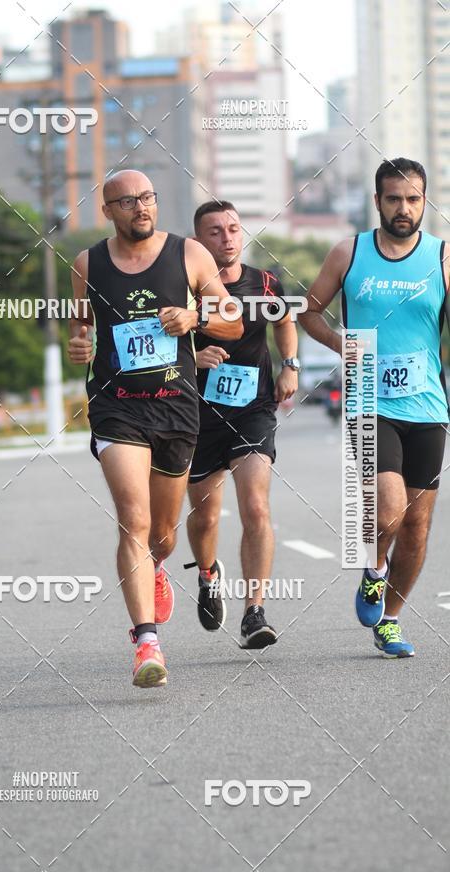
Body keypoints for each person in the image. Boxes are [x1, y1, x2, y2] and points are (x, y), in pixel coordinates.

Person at [68, 170, 242, 687]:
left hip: (175, 408)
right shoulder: (88, 263)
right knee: (133, 519)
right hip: (117, 406)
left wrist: (194, 319)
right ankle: (146, 642)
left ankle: (161, 566)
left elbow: (232, 320)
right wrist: (77, 345)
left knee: (162, 537)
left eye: (147, 198)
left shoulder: (190, 255)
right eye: (127, 202)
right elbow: (81, 326)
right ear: (109, 211)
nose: (140, 208)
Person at [301, 157, 449, 658]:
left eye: (412, 199)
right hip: (368, 398)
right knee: (388, 512)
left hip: (428, 405)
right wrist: (341, 342)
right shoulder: (350, 253)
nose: (403, 209)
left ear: (424, 201)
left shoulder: (442, 256)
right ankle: (374, 569)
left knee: (417, 527)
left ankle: (390, 618)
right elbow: (309, 312)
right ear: (377, 202)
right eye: (393, 199)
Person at [185, 200, 299, 648]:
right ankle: (209, 576)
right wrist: (193, 357)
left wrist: (290, 364)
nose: (227, 237)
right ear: (198, 241)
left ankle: (255, 612)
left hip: (253, 409)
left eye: (233, 228)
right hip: (196, 414)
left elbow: (285, 320)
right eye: (215, 231)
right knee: (205, 515)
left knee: (255, 506)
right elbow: (158, 340)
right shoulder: (182, 287)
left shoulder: (265, 282)